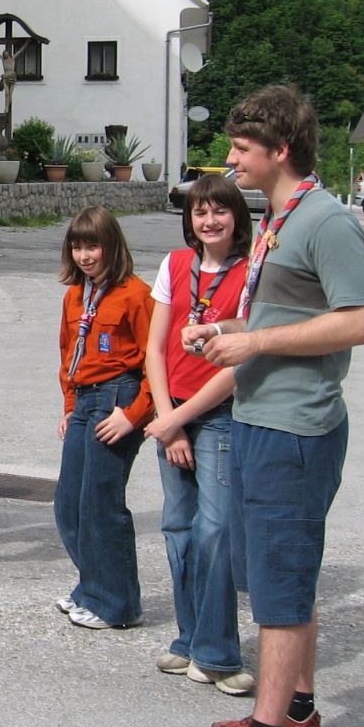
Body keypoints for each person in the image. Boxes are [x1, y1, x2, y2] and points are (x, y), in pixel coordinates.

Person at [181, 84, 364, 727]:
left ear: (280, 150)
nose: (230, 160)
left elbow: (357, 321)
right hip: (264, 418)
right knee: (283, 571)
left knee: (280, 586)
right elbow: (286, 312)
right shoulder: (278, 217)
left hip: (297, 428)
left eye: (241, 148)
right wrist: (231, 332)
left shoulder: (326, 221)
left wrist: (256, 338)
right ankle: (295, 711)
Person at [144, 175, 254, 693]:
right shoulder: (174, 264)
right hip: (174, 415)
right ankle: (189, 641)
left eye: (219, 212)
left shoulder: (252, 272)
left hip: (219, 415)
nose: (209, 221)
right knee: (179, 529)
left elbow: (242, 362)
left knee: (216, 531)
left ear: (237, 217)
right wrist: (169, 420)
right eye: (199, 212)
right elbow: (155, 349)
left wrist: (181, 420)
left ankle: (218, 654)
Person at [54, 206, 153, 628]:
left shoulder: (136, 294)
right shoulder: (76, 294)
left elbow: (156, 363)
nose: (84, 255)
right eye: (77, 246)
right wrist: (69, 407)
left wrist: (134, 416)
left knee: (102, 505)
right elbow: (67, 354)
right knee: (68, 504)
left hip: (118, 397)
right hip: (85, 399)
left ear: (111, 245)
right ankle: (92, 587)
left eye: (92, 245)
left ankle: (118, 604)